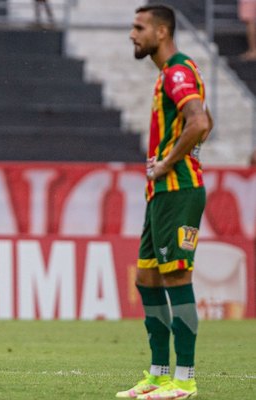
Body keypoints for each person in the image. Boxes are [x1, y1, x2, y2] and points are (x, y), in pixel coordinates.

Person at [117, 5, 213, 400]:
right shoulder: (171, 74)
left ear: (161, 31)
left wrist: (168, 162)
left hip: (178, 189)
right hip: (161, 193)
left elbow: (200, 123)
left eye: (139, 27)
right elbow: (204, 120)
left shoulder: (176, 70)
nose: (132, 34)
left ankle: (185, 379)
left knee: (176, 277)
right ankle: (157, 375)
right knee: (147, 278)